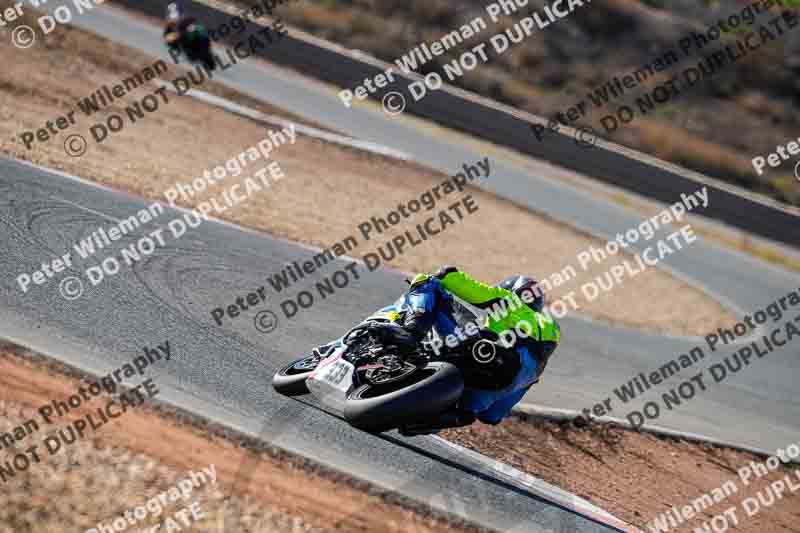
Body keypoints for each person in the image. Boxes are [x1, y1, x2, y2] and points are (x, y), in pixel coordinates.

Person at [371, 266, 560, 435]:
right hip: (499, 381)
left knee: (428, 284)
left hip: (487, 353)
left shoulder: (511, 302)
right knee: (466, 411)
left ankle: (411, 330)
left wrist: (448, 275)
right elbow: (492, 416)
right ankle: (425, 419)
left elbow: (474, 291)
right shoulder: (546, 342)